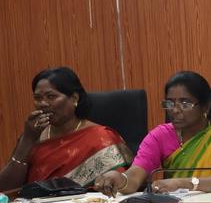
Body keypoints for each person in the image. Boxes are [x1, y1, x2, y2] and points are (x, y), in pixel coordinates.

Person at [95, 71, 211, 196]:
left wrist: (183, 183)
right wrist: (120, 179)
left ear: (205, 107)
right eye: (170, 103)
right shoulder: (159, 136)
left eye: (185, 103)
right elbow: (135, 177)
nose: (175, 110)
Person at [0, 67, 130, 192]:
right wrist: (27, 141)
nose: (43, 103)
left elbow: (118, 187)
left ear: (74, 98)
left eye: (51, 97)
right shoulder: (32, 136)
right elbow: (6, 189)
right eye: (37, 98)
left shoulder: (101, 137)